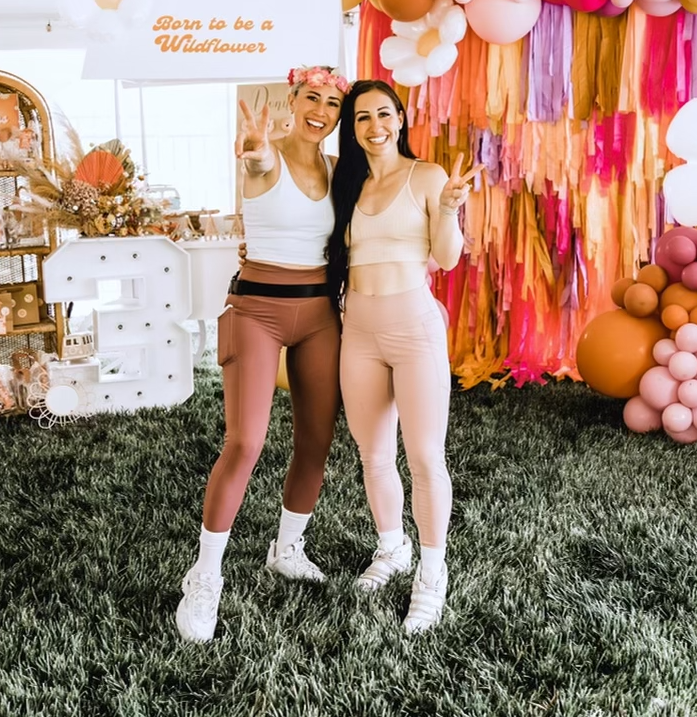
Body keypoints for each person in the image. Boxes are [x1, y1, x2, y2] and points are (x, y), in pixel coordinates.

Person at [175, 66, 350, 643]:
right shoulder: (266, 156)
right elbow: (254, 161)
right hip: (257, 310)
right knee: (245, 441)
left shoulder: (336, 170)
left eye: (332, 101)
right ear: (293, 101)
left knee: (316, 441)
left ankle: (288, 547)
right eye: (311, 98)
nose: (321, 109)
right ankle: (205, 576)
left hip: (319, 314)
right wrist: (253, 149)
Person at [325, 79, 482, 634]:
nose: (375, 126)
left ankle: (432, 574)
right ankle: (392, 549)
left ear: (401, 118)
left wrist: (447, 210)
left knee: (424, 457)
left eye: (384, 114)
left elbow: (446, 257)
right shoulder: (346, 185)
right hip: (359, 331)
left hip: (413, 329)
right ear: (353, 127)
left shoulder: (427, 176)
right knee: (372, 455)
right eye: (362, 117)